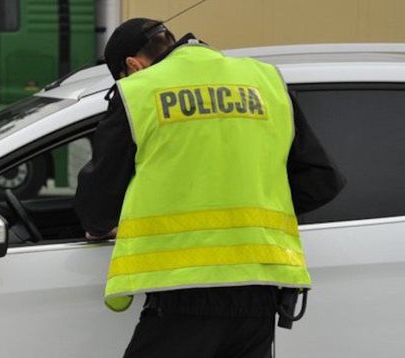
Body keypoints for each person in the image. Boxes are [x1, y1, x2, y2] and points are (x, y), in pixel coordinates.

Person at [75, 18, 345, 358]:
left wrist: (100, 228)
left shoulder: (139, 92)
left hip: (183, 291)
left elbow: (98, 203)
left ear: (133, 65)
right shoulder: (265, 81)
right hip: (260, 293)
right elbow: (321, 180)